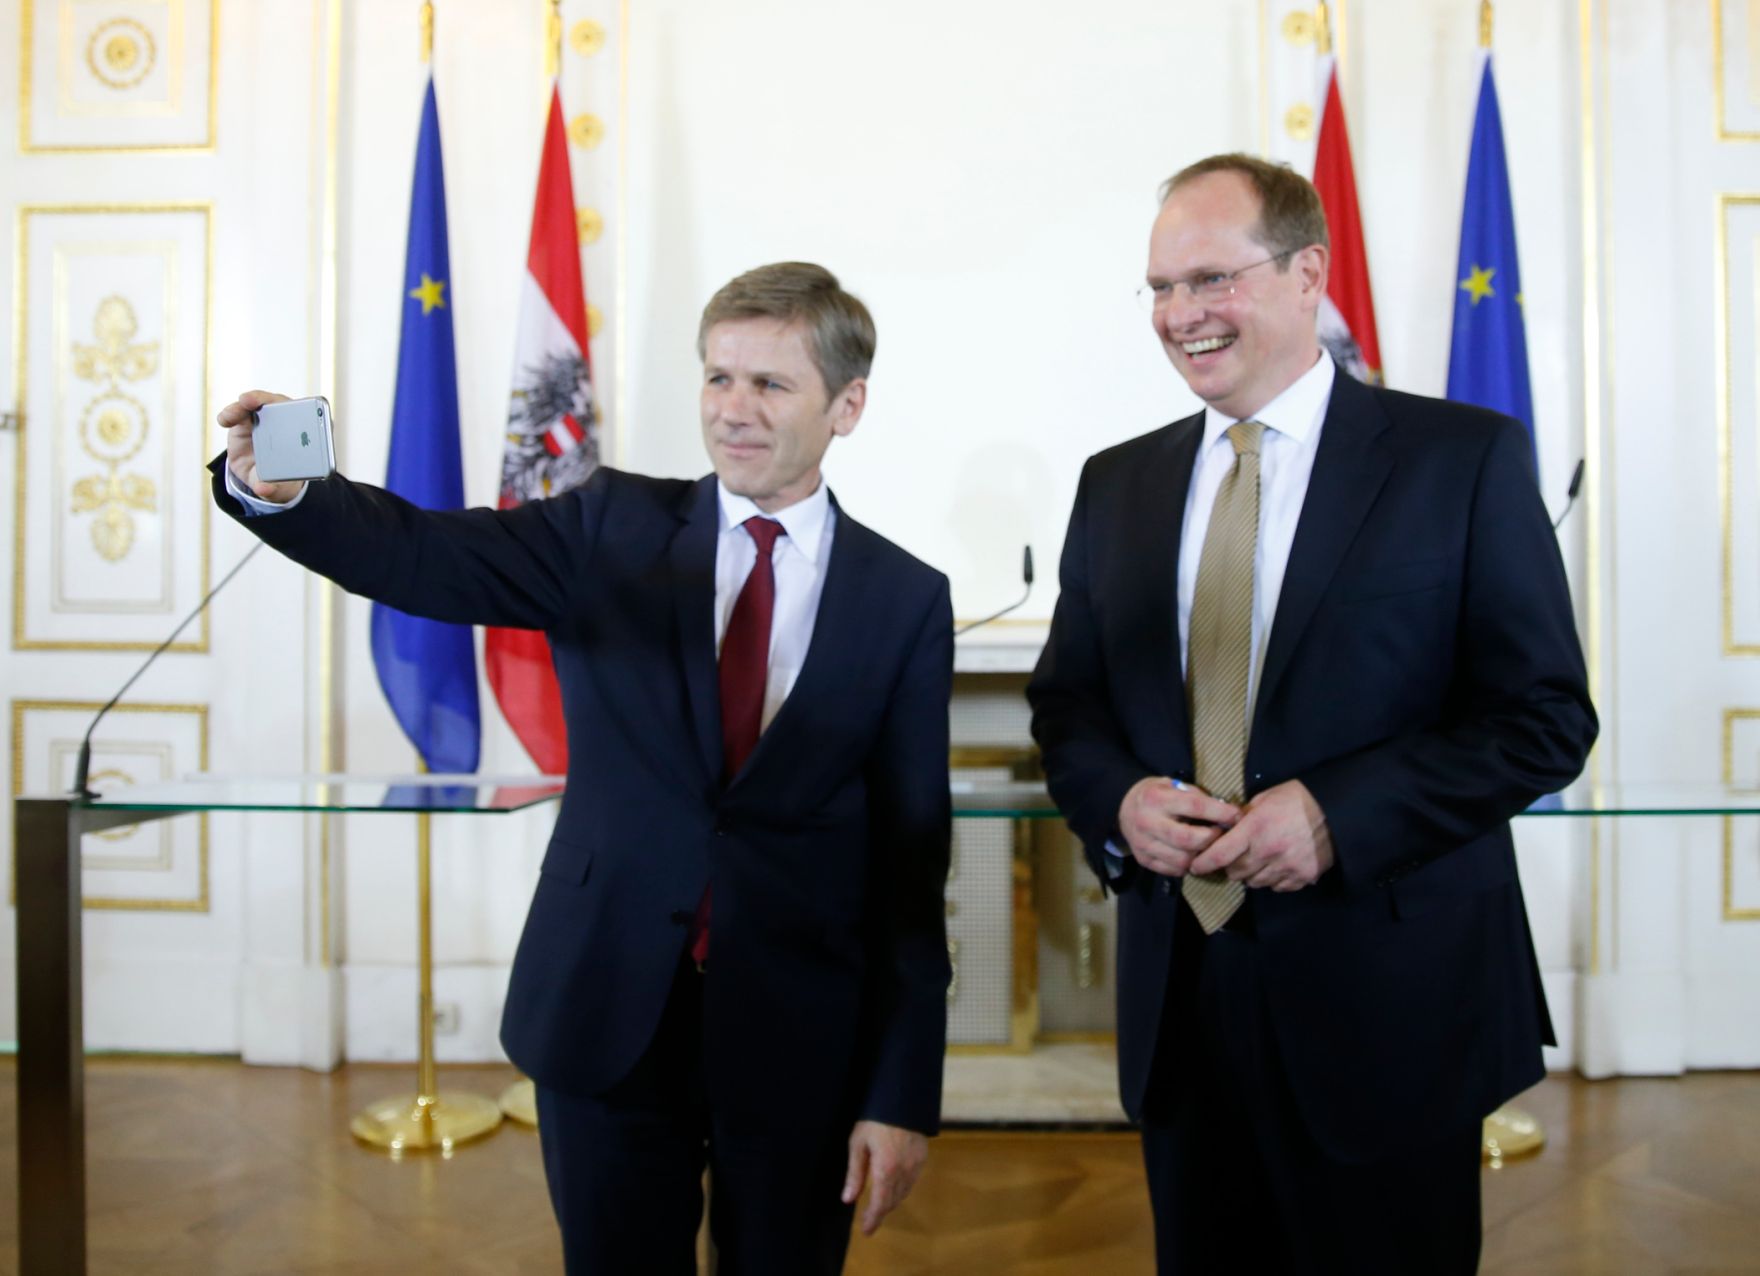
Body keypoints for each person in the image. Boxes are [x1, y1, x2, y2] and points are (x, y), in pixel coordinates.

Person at [213, 262, 952, 1275]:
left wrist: (901, 1092)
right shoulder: (612, 525)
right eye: (718, 377)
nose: (732, 410)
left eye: (769, 385)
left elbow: (911, 866)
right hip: (606, 1010)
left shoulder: (905, 598)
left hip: (802, 1034)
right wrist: (292, 495)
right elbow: (426, 554)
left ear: (847, 405)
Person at [1026, 154, 1597, 1274]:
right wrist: (1120, 803)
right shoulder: (1116, 484)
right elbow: (1068, 705)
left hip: (1390, 1007)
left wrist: (1339, 814)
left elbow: (1542, 718)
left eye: (1210, 279)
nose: (1178, 314)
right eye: (1160, 287)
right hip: (1183, 1007)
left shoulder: (1460, 460)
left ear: (1306, 275)